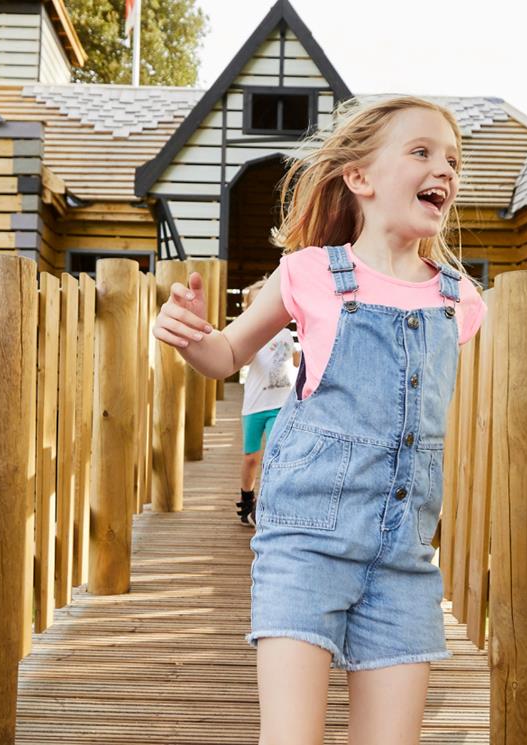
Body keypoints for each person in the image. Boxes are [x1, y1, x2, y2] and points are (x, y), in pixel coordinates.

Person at [150, 95, 486, 745]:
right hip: (305, 541)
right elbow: (226, 353)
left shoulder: (461, 301)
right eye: (420, 152)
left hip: (404, 557)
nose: (443, 168)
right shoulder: (310, 273)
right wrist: (191, 336)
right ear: (359, 177)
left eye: (453, 159)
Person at [236, 278, 300, 528]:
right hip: (254, 405)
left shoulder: (285, 333)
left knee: (274, 455)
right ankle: (247, 498)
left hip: (280, 404)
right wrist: (254, 337)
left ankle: (269, 504)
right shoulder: (249, 333)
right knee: (251, 457)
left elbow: (294, 360)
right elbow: (246, 359)